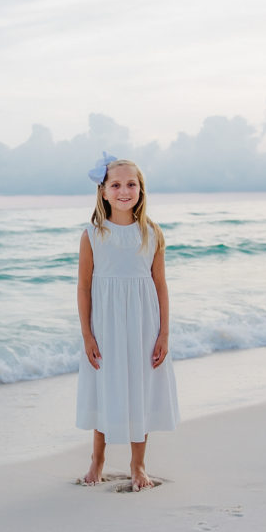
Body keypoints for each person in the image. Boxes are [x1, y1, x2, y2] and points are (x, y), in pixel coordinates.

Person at [75, 153, 180, 490]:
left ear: (141, 189)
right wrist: (87, 335)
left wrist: (164, 332)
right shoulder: (92, 235)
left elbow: (160, 285)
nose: (124, 190)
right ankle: (98, 460)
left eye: (131, 184)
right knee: (107, 387)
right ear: (103, 191)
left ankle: (138, 465)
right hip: (105, 327)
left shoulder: (151, 233)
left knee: (140, 390)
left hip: (143, 325)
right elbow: (84, 287)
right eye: (116, 184)